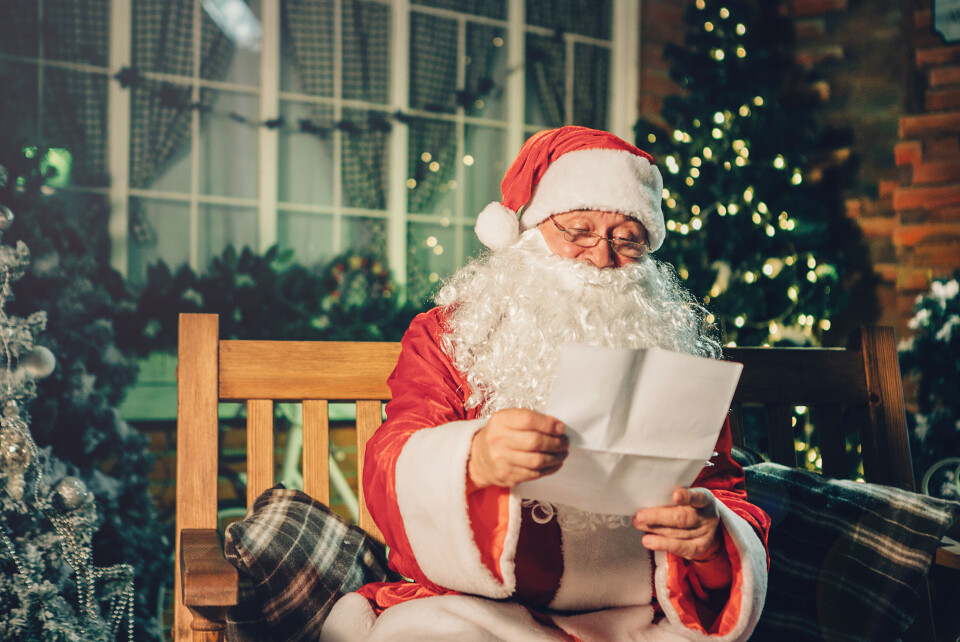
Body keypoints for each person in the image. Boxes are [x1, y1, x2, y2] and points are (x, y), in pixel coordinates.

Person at [321, 126, 770, 641]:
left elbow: (722, 491)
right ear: (526, 234)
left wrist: (712, 543)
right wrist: (474, 460)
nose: (601, 258)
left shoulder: (672, 347)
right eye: (578, 230)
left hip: (636, 620)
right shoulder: (451, 334)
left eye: (627, 240)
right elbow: (390, 458)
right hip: (478, 610)